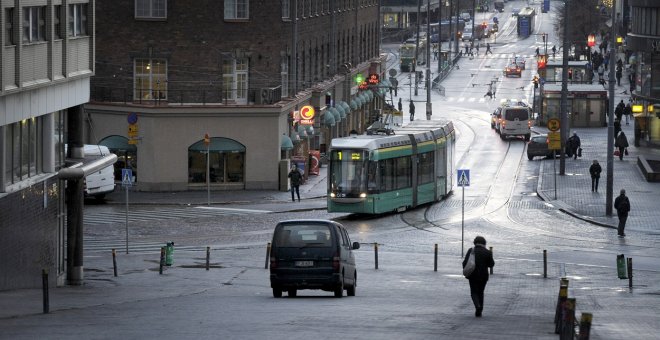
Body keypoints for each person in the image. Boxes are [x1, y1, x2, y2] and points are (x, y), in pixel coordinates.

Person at [462, 236, 495, 317]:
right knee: (481, 292)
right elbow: (491, 264)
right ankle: (480, 310)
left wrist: (466, 269)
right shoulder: (488, 252)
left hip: (472, 275)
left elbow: (464, 262)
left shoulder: (471, 250)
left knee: (473, 292)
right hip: (483, 276)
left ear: (475, 242)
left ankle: (477, 306)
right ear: (484, 243)